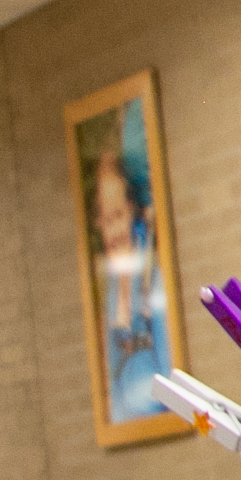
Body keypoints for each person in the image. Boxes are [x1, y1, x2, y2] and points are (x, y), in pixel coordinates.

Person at [88, 143, 168, 423]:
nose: (115, 232)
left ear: (133, 210)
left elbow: (171, 378)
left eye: (120, 216)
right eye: (107, 221)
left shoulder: (153, 276)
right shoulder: (108, 286)